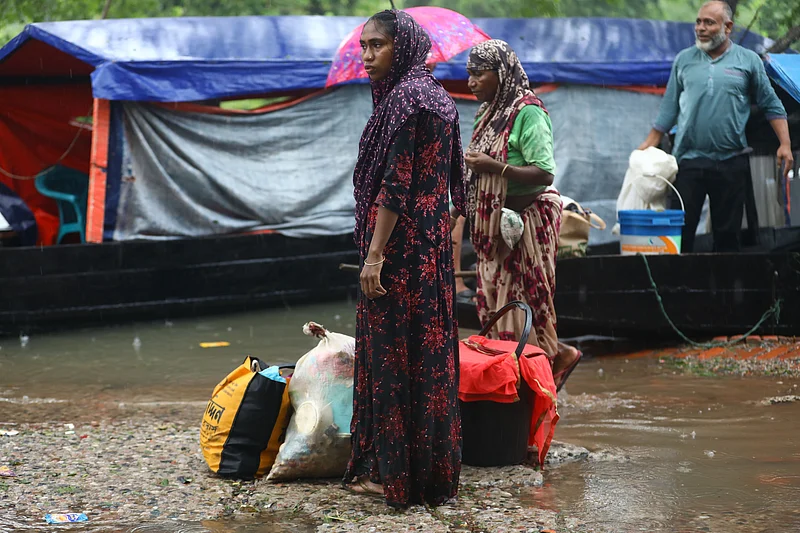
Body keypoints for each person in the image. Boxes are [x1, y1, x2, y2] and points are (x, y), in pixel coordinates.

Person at [344, 10, 466, 508]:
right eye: (364, 47)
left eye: (377, 45)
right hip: (431, 251)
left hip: (398, 253)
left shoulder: (403, 102)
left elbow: (395, 187)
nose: (368, 56)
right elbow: (455, 186)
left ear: (404, 47)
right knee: (429, 356)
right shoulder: (441, 98)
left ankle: (391, 477)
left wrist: (373, 258)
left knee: (392, 356)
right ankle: (433, 476)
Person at [461, 39, 580, 391]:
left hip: (528, 221)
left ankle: (537, 381)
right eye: (469, 74)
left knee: (526, 303)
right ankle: (527, 375)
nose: (471, 82)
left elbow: (544, 172)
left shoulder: (529, 112)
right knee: (495, 305)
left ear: (501, 74)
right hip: (495, 226)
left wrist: (495, 167)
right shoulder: (487, 113)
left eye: (478, 74)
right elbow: (474, 172)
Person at [639, 0, 793, 253]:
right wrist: (645, 147)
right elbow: (668, 110)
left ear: (728, 27)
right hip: (688, 162)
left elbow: (772, 105)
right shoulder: (684, 60)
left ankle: (721, 293)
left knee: (726, 240)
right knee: (678, 239)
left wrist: (785, 145)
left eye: (709, 22)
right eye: (698, 22)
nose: (700, 28)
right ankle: (676, 291)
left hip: (730, 162)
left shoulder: (748, 61)